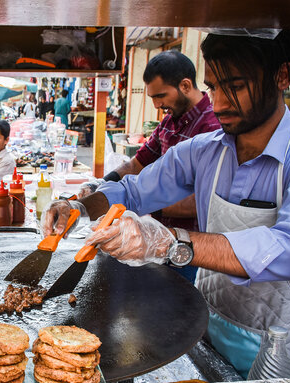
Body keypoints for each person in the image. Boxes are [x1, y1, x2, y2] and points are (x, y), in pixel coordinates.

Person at [43, 30, 290, 380]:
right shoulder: (205, 151)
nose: (219, 104)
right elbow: (133, 190)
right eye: (214, 88)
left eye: (234, 86)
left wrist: (170, 242)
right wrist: (80, 207)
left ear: (282, 75)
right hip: (212, 325)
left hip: (285, 344)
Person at [81, 50, 221, 283]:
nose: (157, 104)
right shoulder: (169, 120)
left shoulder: (211, 127)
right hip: (159, 243)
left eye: (161, 96)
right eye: (153, 97)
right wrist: (102, 185)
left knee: (183, 308)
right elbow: (138, 162)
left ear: (185, 86)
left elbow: (203, 201)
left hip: (192, 249)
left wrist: (145, 208)